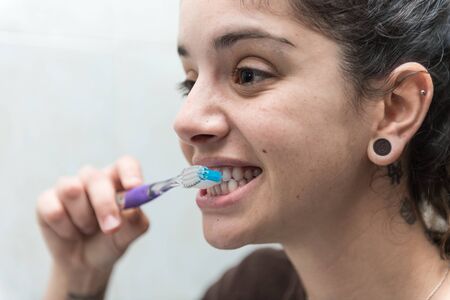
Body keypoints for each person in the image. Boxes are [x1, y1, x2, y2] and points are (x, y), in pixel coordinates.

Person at [37, 0, 450, 299]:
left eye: (248, 73)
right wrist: (79, 280)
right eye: (190, 80)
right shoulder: (252, 288)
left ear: (395, 109)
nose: (185, 120)